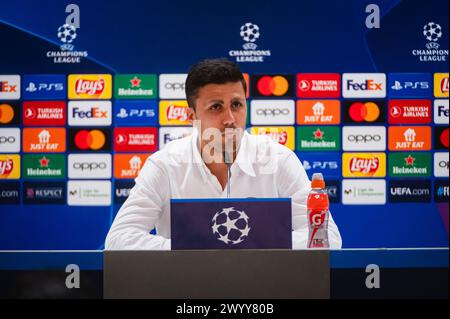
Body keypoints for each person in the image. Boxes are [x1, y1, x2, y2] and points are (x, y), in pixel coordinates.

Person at [105, 58, 342, 250]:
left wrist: (251, 245)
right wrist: (191, 250)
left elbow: (326, 236)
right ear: (192, 117)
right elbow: (118, 239)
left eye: (237, 105)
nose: (230, 119)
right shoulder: (164, 165)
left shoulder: (279, 160)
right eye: (216, 107)